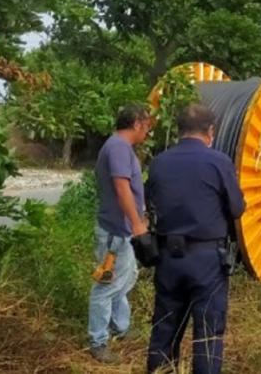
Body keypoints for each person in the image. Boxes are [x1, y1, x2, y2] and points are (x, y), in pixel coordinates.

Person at [146, 104, 245, 374]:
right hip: (207, 260)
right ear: (210, 131)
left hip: (168, 258)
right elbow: (237, 208)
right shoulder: (219, 162)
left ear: (179, 131)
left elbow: (150, 204)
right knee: (208, 337)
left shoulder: (159, 163)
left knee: (164, 331)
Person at [88, 104, 153, 365]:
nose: (147, 132)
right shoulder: (117, 147)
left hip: (120, 229)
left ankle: (120, 327)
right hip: (116, 230)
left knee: (124, 281)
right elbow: (121, 186)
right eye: (147, 126)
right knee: (106, 285)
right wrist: (137, 223)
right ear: (137, 123)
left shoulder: (120, 147)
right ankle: (98, 341)